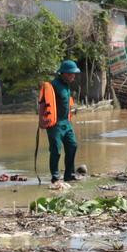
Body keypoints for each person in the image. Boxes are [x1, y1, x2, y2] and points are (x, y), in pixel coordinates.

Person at [39, 60, 80, 188]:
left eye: (74, 73)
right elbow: (42, 103)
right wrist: (41, 120)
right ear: (64, 73)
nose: (74, 76)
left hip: (66, 123)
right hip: (55, 125)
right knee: (56, 150)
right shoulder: (53, 85)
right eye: (71, 74)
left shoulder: (67, 85)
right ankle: (55, 177)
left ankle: (69, 174)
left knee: (72, 145)